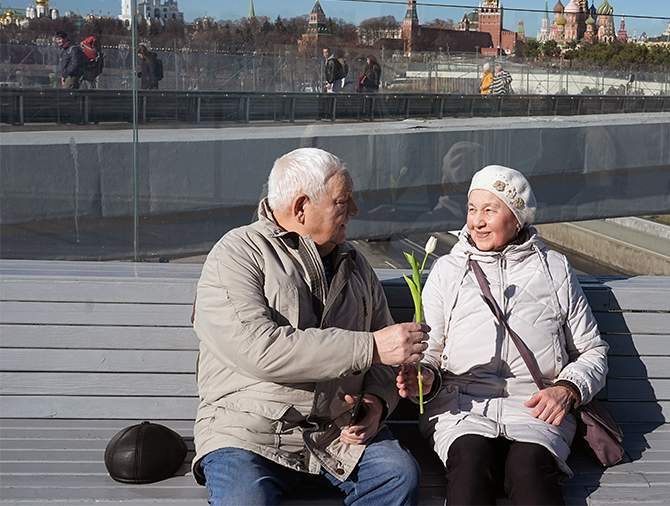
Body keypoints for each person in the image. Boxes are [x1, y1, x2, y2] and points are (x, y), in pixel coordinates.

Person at [193, 148, 426, 505]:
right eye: (343, 202)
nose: (355, 211)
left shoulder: (356, 265)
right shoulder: (237, 253)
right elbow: (260, 349)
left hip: (337, 434)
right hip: (249, 432)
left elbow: (384, 359)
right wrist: (370, 347)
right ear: (301, 207)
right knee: (244, 499)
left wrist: (378, 403)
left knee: (398, 476)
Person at [397, 165, 609, 505]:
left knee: (530, 470)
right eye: (471, 209)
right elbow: (430, 352)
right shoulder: (448, 271)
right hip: (462, 407)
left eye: (489, 210)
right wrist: (424, 379)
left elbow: (592, 352)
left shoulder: (554, 269)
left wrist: (567, 390)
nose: (476, 221)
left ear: (517, 217)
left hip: (536, 409)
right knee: (470, 464)